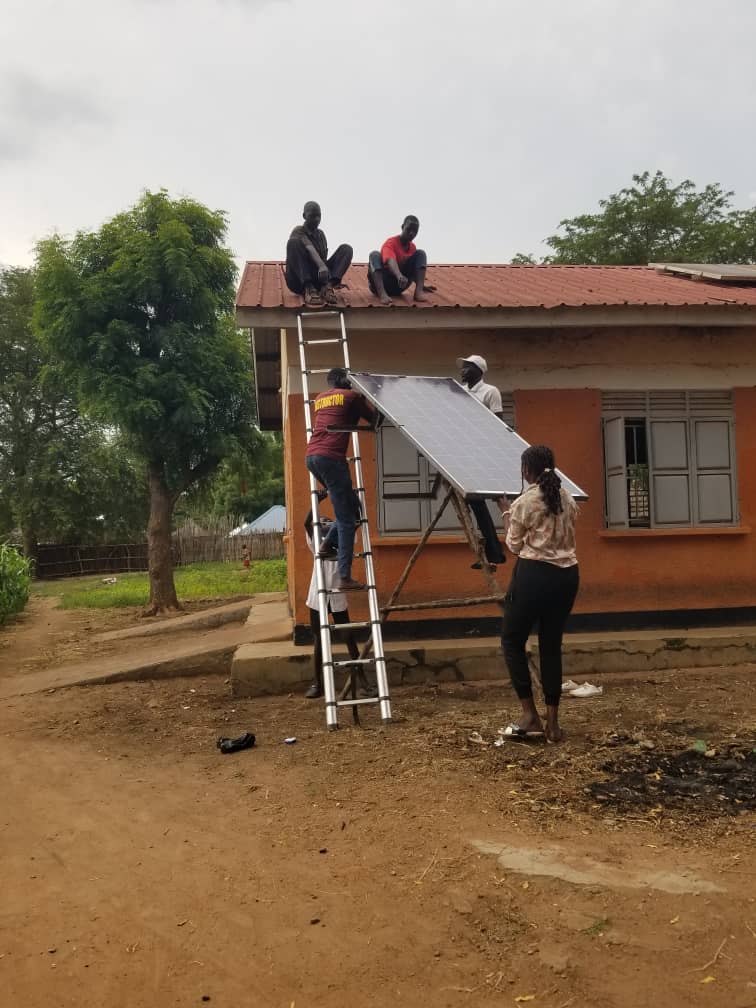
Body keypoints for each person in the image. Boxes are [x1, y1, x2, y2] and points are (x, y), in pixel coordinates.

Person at [499, 445, 580, 744]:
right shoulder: (568, 498)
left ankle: (529, 715)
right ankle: (554, 724)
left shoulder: (525, 502)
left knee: (512, 640)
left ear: (526, 471)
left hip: (534, 577)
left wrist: (505, 514)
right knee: (550, 646)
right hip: (568, 577)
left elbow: (515, 546)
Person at [305, 367, 375, 590]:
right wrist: (370, 394)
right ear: (344, 380)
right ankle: (345, 577)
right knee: (346, 519)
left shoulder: (321, 398)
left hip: (312, 458)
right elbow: (374, 419)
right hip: (332, 460)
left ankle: (326, 546)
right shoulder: (350, 396)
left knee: (354, 510)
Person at [303, 498, 362, 699]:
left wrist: (355, 500)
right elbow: (307, 523)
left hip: (337, 597)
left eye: (330, 522)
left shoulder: (345, 542)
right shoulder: (316, 543)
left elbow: (355, 521)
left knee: (348, 638)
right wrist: (316, 501)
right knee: (319, 640)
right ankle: (317, 684)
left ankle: (363, 682)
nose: (325, 524)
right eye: (323, 522)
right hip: (317, 596)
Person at [456, 353, 506, 569]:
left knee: (485, 500)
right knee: (473, 503)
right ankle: (491, 552)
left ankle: (495, 551)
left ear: (478, 370)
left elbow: (498, 423)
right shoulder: (460, 391)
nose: (462, 371)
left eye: (466, 367)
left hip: (482, 452)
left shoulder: (490, 391)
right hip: (462, 451)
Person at [285, 201, 353, 309]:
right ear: (304, 216)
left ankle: (327, 287)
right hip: (300, 278)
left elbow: (324, 259)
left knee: (346, 249)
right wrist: (321, 265)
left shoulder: (321, 234)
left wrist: (328, 277)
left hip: (319, 277)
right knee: (293, 243)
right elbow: (310, 248)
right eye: (313, 216)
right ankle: (308, 288)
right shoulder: (298, 231)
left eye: (319, 216)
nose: (317, 219)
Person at [367, 215, 434, 305]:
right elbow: (390, 261)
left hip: (399, 286)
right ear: (402, 227)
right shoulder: (391, 243)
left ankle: (418, 292)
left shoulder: (412, 247)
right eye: (409, 229)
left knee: (421, 253)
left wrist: (420, 284)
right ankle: (382, 294)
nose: (411, 233)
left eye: (415, 231)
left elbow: (412, 269)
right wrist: (399, 275)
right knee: (374, 255)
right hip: (383, 282)